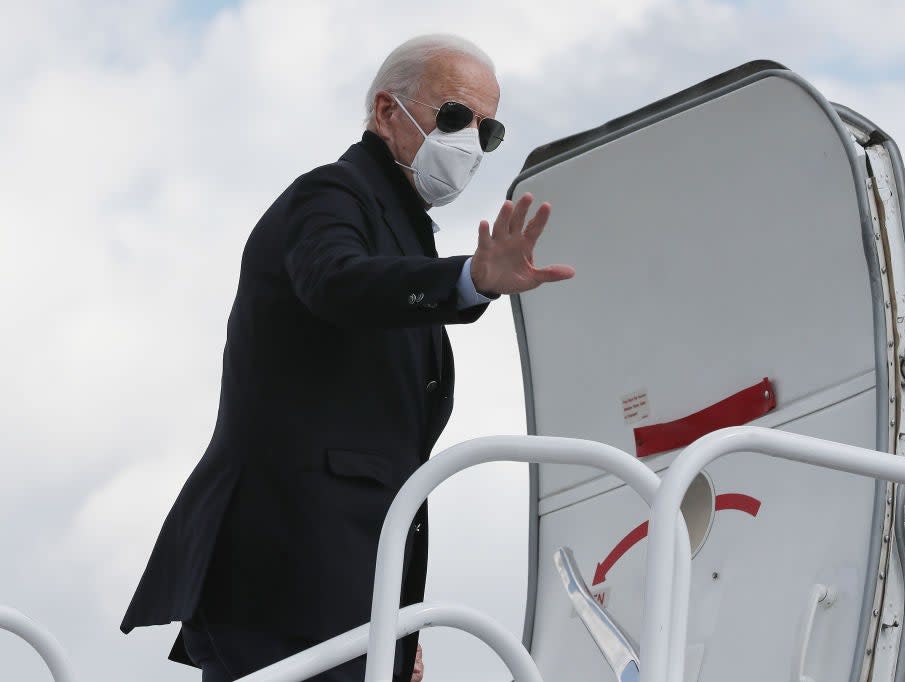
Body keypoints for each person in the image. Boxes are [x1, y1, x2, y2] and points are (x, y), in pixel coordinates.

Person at [118, 33, 574, 682]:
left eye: (487, 130)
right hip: (284, 579)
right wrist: (469, 280)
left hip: (348, 595)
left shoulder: (398, 229)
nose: (469, 142)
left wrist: (394, 620)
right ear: (388, 112)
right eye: (452, 117)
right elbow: (336, 282)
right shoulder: (331, 195)